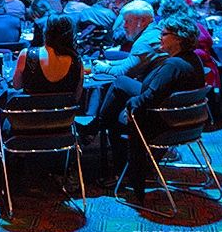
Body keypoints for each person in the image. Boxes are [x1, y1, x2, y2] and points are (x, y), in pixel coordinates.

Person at [85, 15, 205, 191]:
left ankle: (122, 171)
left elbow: (149, 97)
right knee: (122, 87)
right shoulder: (194, 60)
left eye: (164, 34)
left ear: (178, 39)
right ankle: (99, 131)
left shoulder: (172, 65)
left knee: (115, 113)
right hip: (186, 123)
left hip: (162, 124)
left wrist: (130, 106)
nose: (159, 37)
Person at [13, 13, 83, 101]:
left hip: (32, 112)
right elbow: (77, 96)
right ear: (71, 35)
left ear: (46, 32)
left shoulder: (26, 54)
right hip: (64, 113)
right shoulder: (76, 60)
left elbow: (16, 86)